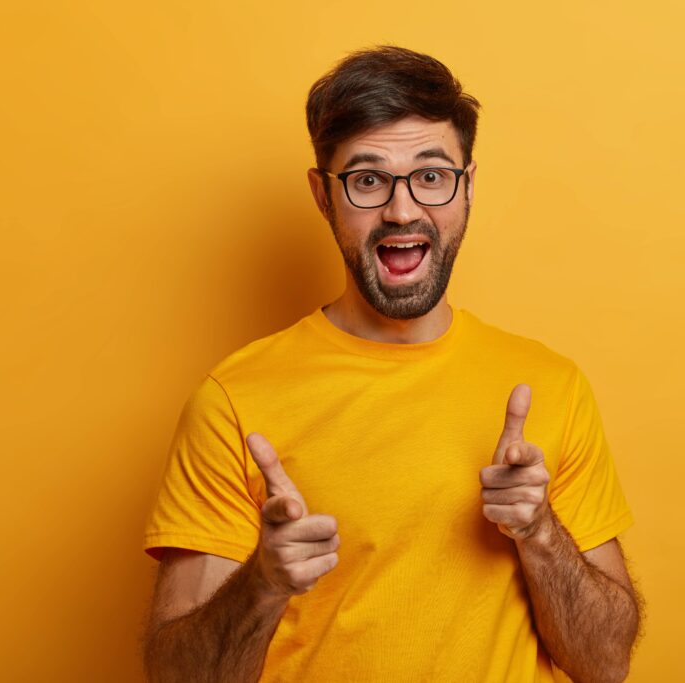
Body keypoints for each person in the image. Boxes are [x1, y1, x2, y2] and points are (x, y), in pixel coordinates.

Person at [141, 45, 643, 683]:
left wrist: (540, 533)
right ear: (323, 196)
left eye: (432, 176)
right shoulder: (234, 401)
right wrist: (262, 585)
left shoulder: (551, 386)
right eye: (368, 179)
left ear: (467, 187)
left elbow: (606, 665)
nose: (403, 210)